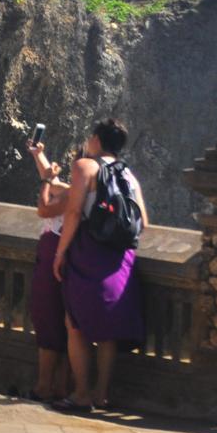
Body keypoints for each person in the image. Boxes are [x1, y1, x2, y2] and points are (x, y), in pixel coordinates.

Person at [53, 117, 147, 413]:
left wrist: (60, 252)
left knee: (76, 325)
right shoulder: (128, 175)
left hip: (88, 254)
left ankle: (81, 394)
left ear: (95, 139)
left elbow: (72, 213)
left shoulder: (86, 167)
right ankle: (101, 394)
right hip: (120, 257)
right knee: (108, 331)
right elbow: (143, 218)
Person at [26, 139, 73, 402]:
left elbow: (44, 208)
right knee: (66, 324)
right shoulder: (81, 191)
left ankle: (45, 386)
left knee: (48, 320)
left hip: (54, 257)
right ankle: (60, 386)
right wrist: (39, 156)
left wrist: (45, 182)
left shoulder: (74, 196)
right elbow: (55, 183)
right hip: (69, 258)